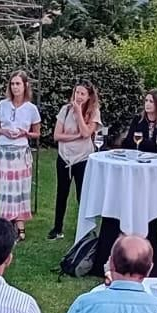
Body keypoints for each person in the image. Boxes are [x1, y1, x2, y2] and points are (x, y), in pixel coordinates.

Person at [49, 82, 100, 241]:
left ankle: (86, 229)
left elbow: (86, 132)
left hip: (83, 158)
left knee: (82, 194)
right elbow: (57, 136)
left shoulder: (94, 112)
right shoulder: (65, 110)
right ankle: (57, 228)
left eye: (82, 94)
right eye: (77, 92)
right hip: (64, 156)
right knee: (62, 193)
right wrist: (75, 137)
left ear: (89, 96)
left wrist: (78, 113)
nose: (78, 96)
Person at [0, 72, 41, 241]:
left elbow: (37, 133)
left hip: (20, 152)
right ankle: (7, 222)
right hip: (4, 150)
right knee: (5, 188)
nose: (15, 87)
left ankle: (20, 224)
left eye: (18, 84)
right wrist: (4, 131)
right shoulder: (3, 105)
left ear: (25, 86)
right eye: (12, 84)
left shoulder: (31, 109)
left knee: (20, 188)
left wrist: (24, 133)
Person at [123, 90, 157, 155]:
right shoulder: (138, 119)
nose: (147, 104)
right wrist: (149, 144)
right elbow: (129, 141)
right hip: (138, 155)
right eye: (146, 100)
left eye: (151, 101)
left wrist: (142, 142)